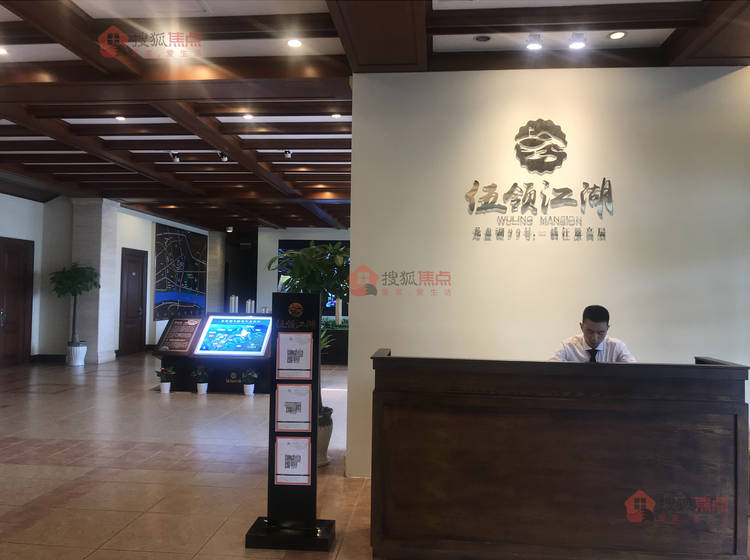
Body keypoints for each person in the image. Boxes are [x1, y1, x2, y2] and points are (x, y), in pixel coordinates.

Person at [550, 305, 635, 363]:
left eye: (600, 333)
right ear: (581, 327)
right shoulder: (567, 346)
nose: (594, 338)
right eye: (590, 331)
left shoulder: (617, 347)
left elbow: (635, 372)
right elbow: (550, 371)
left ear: (607, 328)